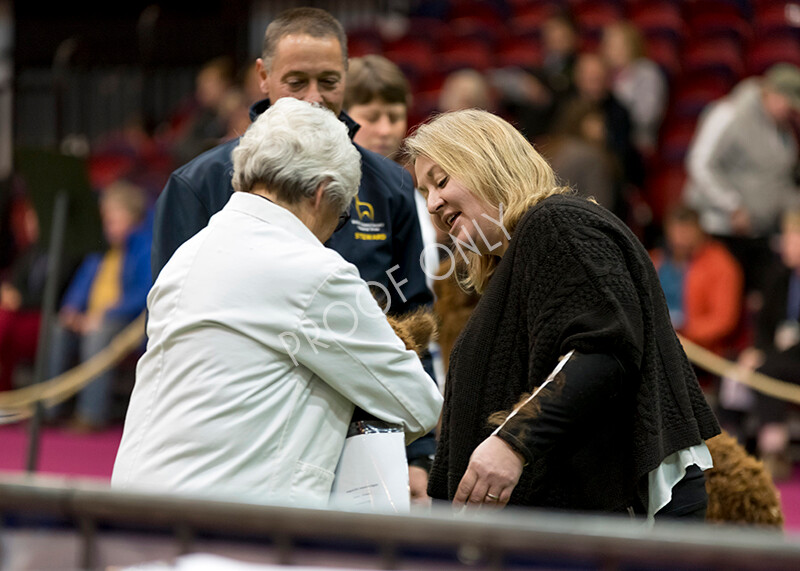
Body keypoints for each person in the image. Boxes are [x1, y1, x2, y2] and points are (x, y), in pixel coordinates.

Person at [111, 98, 443, 507]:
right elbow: (417, 402)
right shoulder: (313, 271)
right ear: (322, 193)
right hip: (228, 525)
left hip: (133, 508)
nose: (330, 234)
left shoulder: (189, 255)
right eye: (340, 218)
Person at [405, 109, 720, 520]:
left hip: (620, 522)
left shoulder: (557, 223)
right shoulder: (521, 256)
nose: (433, 203)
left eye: (442, 180)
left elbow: (602, 351)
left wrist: (513, 441)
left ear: (487, 162)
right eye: (425, 190)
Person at [151, 7, 432, 323]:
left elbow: (412, 316)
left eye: (328, 81)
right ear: (263, 77)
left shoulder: (392, 184)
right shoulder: (198, 183)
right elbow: (170, 319)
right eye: (296, 82)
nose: (314, 98)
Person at [343, 53, 441, 505]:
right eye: (372, 116)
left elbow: (415, 309)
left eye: (395, 115)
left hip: (389, 371)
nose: (385, 128)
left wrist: (422, 448)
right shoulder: (323, 190)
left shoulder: (411, 193)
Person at [684, 63, 800, 299]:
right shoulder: (729, 113)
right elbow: (700, 163)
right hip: (720, 230)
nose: (790, 111)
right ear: (771, 93)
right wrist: (732, 205)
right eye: (788, 103)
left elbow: (781, 181)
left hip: (760, 235)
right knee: (721, 303)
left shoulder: (782, 131)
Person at [46, 180, 152, 431]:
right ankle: (48, 409)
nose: (107, 225)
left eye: (113, 219)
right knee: (57, 328)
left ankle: (90, 415)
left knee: (98, 333)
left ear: (132, 217)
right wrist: (71, 309)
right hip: (91, 317)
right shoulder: (101, 249)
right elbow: (81, 284)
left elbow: (143, 295)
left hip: (128, 324)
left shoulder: (146, 247)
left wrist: (104, 314)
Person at [729, 209, 800, 480]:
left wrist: (767, 355)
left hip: (792, 359)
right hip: (777, 356)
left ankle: (774, 450)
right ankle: (729, 442)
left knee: (767, 370)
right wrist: (756, 351)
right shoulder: (780, 276)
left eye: (793, 239)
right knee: (734, 363)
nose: (786, 245)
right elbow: (764, 324)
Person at [649, 204, 744, 357]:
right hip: (655, 341)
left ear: (699, 231)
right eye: (675, 233)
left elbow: (724, 320)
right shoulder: (654, 260)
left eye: (685, 233)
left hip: (698, 351)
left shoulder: (721, 265)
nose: (680, 241)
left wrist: (685, 331)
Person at [600, 21, 668, 158]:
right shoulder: (605, 75)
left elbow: (647, 116)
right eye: (607, 44)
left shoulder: (646, 72)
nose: (607, 49)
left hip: (635, 145)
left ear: (630, 46)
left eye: (613, 45)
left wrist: (611, 124)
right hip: (605, 143)